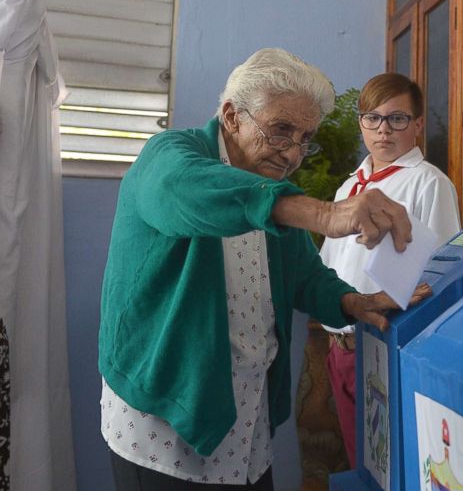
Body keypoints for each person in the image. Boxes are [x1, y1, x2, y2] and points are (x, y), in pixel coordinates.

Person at [98, 48, 431, 491]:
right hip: (163, 424)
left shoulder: (273, 186)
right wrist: (326, 214)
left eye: (304, 138)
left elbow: (305, 275)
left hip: (244, 427)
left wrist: (352, 300)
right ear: (232, 116)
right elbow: (181, 190)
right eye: (280, 131)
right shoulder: (172, 154)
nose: (292, 153)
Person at [319, 72, 460, 467]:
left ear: (416, 125)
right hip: (339, 345)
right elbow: (330, 263)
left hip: (386, 343)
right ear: (361, 123)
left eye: (397, 119)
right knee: (359, 462)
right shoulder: (349, 188)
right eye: (373, 118)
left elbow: (441, 276)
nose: (384, 130)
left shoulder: (427, 183)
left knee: (390, 464)